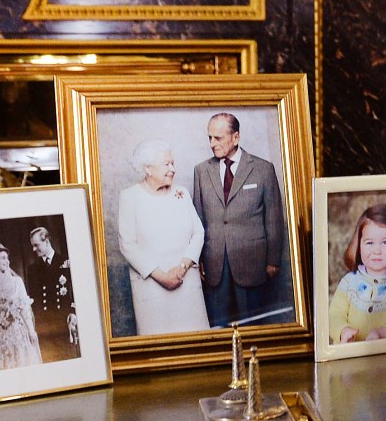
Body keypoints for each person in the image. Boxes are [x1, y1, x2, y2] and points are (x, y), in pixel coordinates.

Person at [191, 113, 288, 328]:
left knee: (252, 326)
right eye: (209, 138)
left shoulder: (263, 169)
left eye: (218, 138)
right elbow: (198, 219)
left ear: (236, 137)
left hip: (252, 262)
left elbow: (273, 217)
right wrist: (199, 259)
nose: (212, 144)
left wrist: (273, 259)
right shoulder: (201, 171)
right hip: (215, 264)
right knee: (218, 327)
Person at [118, 138, 211, 336]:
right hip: (152, 288)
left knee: (196, 346)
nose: (173, 169)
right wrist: (162, 277)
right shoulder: (130, 197)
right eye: (166, 164)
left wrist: (182, 267)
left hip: (186, 284)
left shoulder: (181, 193)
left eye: (173, 163)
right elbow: (128, 245)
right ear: (148, 169)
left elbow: (198, 232)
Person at [327, 202, 386, 343]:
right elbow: (334, 314)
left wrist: (384, 332)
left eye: (385, 242)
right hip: (350, 357)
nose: (377, 251)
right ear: (359, 245)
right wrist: (343, 330)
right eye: (369, 243)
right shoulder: (349, 282)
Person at [0, 243, 41, 372]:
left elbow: (24, 308)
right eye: (2, 258)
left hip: (18, 333)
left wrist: (31, 331)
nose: (7, 261)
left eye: (7, 258)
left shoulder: (17, 282)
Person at [23, 225, 77, 354]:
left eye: (36, 245)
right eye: (32, 245)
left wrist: (73, 312)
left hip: (64, 321)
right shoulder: (33, 269)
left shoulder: (66, 262)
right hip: (44, 325)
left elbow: (74, 292)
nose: (34, 249)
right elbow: (34, 300)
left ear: (46, 241)